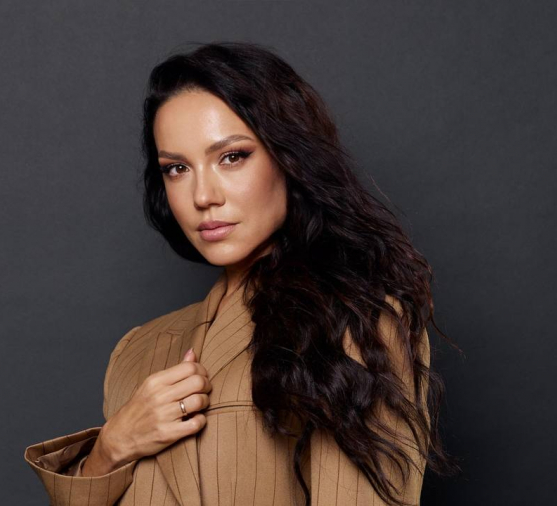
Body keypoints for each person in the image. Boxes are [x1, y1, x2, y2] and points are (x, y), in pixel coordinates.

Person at [23, 41, 460, 506]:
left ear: (289, 158)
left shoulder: (355, 323)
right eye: (177, 168)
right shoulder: (136, 351)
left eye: (231, 156)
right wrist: (110, 450)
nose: (202, 196)